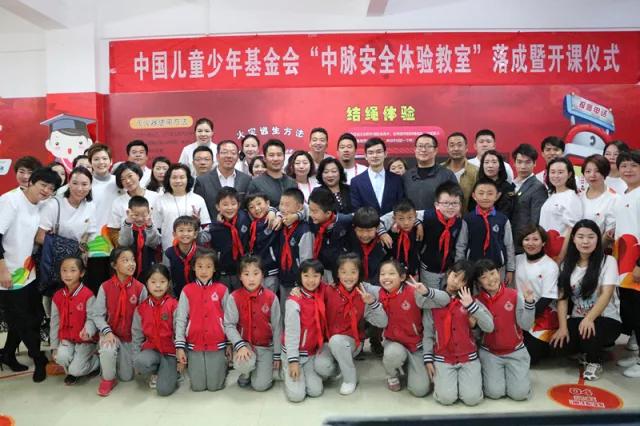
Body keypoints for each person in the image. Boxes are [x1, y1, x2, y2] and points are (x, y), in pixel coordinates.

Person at [0, 167, 60, 381]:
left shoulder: (40, 205)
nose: (46, 191)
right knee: (24, 320)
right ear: (31, 181)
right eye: (43, 185)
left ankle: (8, 354)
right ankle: (39, 359)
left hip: (27, 271)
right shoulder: (10, 201)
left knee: (31, 316)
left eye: (51, 188)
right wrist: (2, 270)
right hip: (8, 273)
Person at [549, 220, 621, 381]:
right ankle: (588, 350)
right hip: (578, 317)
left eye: (591, 237)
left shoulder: (608, 261)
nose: (585, 241)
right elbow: (563, 299)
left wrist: (589, 318)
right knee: (558, 346)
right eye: (580, 237)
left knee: (589, 333)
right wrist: (563, 327)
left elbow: (606, 294)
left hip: (606, 318)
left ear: (598, 239)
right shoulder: (567, 265)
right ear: (573, 239)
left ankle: (595, 361)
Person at [314, 253, 387, 395]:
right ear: (337, 273)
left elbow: (383, 321)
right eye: (343, 272)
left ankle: (349, 379)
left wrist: (372, 303)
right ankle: (341, 365)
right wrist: (297, 289)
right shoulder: (329, 289)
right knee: (321, 367)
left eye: (353, 272)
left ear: (359, 273)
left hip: (353, 342)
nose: (348, 277)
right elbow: (310, 289)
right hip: (329, 342)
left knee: (337, 341)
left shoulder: (365, 291)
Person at [424, 260, 494, 406]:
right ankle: (449, 383)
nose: (456, 282)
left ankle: (469, 381)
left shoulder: (471, 302)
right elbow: (428, 333)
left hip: (468, 357)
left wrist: (472, 307)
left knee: (472, 399)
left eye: (462, 281)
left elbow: (489, 327)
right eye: (455, 276)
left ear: (467, 284)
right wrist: (428, 359)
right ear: (448, 273)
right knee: (446, 399)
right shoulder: (433, 301)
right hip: (443, 357)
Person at [378, 259, 450, 396]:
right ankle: (392, 374)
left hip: (415, 345)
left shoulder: (413, 292)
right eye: (382, 274)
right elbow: (359, 284)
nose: (386, 277)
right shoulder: (378, 293)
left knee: (420, 390)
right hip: (393, 343)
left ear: (402, 277)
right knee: (393, 354)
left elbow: (445, 300)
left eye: (391, 273)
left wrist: (427, 291)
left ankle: (407, 365)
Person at [91, 247, 148, 396]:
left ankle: (112, 363)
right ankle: (107, 379)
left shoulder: (140, 288)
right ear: (114, 265)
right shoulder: (105, 287)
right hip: (112, 334)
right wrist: (107, 331)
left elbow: (145, 317)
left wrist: (139, 343)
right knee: (107, 347)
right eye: (125, 260)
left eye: (133, 260)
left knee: (127, 377)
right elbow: (97, 315)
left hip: (130, 338)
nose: (131, 264)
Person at [475, 259, 535, 401]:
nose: (491, 279)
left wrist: (529, 303)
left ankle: (517, 374)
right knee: (494, 393)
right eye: (484, 277)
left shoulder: (513, 295)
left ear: (499, 272)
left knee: (519, 394)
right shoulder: (475, 301)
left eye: (492, 273)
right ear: (479, 283)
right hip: (490, 353)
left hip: (515, 351)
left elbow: (526, 325)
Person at [224, 255, 281, 391]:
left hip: (265, 347)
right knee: (245, 364)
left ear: (262, 275)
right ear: (240, 276)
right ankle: (246, 372)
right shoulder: (234, 297)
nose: (251, 279)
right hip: (245, 346)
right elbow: (229, 325)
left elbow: (277, 327)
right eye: (246, 274)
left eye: (256, 274)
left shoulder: (271, 297)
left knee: (260, 386)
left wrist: (277, 355)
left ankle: (260, 370)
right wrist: (240, 345)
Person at [175, 248, 229, 392]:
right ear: (193, 267)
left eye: (208, 266)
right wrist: (180, 346)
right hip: (194, 344)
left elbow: (229, 320)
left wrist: (229, 343)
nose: (204, 271)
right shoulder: (187, 290)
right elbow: (181, 319)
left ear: (214, 268)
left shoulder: (222, 289)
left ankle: (223, 366)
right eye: (199, 266)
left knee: (215, 387)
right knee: (197, 387)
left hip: (216, 343)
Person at [37, 166, 97, 294]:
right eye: (75, 183)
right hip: (55, 263)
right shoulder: (54, 204)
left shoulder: (90, 206)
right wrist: (71, 246)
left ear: (90, 186)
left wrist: (84, 248)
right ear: (68, 183)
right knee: (55, 296)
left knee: (75, 296)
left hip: (77, 264)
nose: (79, 188)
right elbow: (40, 237)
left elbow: (87, 233)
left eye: (84, 184)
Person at [282, 259, 327, 402]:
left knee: (315, 391)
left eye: (315, 276)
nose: (311, 280)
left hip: (311, 353)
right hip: (293, 353)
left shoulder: (323, 292)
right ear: (300, 276)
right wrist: (293, 361)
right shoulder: (294, 301)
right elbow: (291, 335)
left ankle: (307, 374)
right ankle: (285, 369)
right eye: (306, 275)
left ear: (321, 277)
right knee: (297, 396)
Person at [456, 179, 516, 285]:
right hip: (473, 267)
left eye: (490, 193)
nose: (485, 197)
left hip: (497, 268)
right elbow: (461, 245)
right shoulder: (468, 219)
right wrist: (460, 268)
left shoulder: (502, 219)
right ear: (474, 196)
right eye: (481, 193)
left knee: (496, 292)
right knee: (475, 293)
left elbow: (509, 245)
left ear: (497, 196)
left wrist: (510, 269)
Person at [50, 257, 99, 385]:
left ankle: (95, 362)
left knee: (76, 370)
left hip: (85, 341)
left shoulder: (88, 295)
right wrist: (54, 347)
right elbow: (54, 322)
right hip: (67, 339)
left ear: (81, 273)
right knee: (60, 357)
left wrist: (88, 331)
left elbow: (92, 318)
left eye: (73, 270)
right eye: (64, 270)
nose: (68, 274)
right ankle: (74, 369)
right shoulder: (57, 296)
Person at [514, 224, 559, 365]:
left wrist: (527, 317)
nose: (530, 243)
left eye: (535, 239)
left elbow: (547, 298)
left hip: (541, 315)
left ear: (543, 242)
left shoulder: (550, 266)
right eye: (527, 239)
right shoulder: (517, 260)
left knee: (530, 357)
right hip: (518, 313)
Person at [132, 263, 179, 396]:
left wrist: (181, 357)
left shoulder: (174, 305)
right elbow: (136, 336)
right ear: (147, 284)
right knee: (140, 362)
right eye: (153, 282)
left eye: (162, 282)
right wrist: (135, 360)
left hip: (170, 353)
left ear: (168, 283)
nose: (158, 286)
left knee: (164, 390)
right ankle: (156, 372)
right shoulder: (141, 309)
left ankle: (171, 372)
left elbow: (180, 334)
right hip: (152, 350)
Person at [612, 150, 640, 376]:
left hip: (636, 265)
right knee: (632, 311)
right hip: (623, 265)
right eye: (624, 166)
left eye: (633, 165)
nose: (628, 170)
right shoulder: (625, 194)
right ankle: (637, 355)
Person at [417, 182, 466, 289]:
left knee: (446, 295)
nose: (450, 207)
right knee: (431, 295)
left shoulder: (460, 223)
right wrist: (417, 223)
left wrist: (457, 268)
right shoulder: (427, 216)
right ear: (437, 205)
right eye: (446, 203)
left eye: (455, 203)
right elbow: (403, 214)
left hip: (449, 269)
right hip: (429, 267)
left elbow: (460, 247)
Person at [153, 163, 210, 251]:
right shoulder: (160, 200)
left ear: (188, 179)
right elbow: (157, 228)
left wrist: (197, 222)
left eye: (182, 177)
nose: (178, 181)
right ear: (168, 180)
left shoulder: (198, 199)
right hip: (169, 249)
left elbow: (206, 228)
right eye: (174, 177)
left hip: (194, 251)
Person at [85, 144, 119, 291]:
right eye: (96, 159)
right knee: (96, 287)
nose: (101, 162)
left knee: (116, 287)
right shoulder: (85, 183)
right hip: (93, 244)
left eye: (104, 158)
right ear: (90, 162)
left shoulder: (119, 182)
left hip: (117, 243)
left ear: (111, 161)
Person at [194, 140, 251, 222]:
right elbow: (199, 210)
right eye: (224, 152)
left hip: (240, 228)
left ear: (238, 157)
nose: (229, 156)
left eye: (233, 153)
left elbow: (249, 206)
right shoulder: (202, 181)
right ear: (217, 156)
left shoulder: (246, 179)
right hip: (212, 228)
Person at [539, 157, 583, 263]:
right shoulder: (552, 195)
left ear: (569, 174)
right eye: (552, 172)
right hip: (546, 250)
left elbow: (572, 230)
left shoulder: (571, 197)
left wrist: (560, 257)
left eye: (560, 172)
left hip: (560, 255)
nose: (556, 176)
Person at [107, 162, 160, 247]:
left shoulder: (156, 197)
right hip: (128, 248)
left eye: (130, 176)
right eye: (123, 179)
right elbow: (113, 230)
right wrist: (123, 249)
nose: (127, 181)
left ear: (138, 174)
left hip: (153, 246)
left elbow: (162, 225)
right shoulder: (118, 202)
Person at [277, 188, 314, 309]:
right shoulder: (281, 225)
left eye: (287, 205)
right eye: (281, 204)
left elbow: (306, 260)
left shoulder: (304, 230)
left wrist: (302, 282)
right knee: (284, 309)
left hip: (298, 281)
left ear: (299, 207)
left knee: (297, 309)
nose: (283, 208)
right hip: (283, 277)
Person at [209, 187, 251, 290]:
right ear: (218, 207)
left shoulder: (245, 218)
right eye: (225, 204)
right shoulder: (215, 227)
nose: (230, 208)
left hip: (243, 269)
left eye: (233, 204)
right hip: (223, 271)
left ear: (239, 205)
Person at [403, 133, 457, 211]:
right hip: (412, 218)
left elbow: (455, 201)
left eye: (428, 146)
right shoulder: (406, 176)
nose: (423, 150)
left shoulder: (447, 175)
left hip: (438, 218)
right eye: (420, 146)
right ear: (415, 150)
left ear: (435, 150)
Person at [351, 137, 405, 215]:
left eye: (379, 152)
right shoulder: (356, 182)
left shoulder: (397, 179)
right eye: (371, 153)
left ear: (385, 154)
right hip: (367, 222)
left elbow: (401, 206)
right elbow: (357, 210)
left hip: (392, 222)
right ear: (365, 156)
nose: (375, 156)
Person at [308, 188, 352, 282]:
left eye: (314, 211)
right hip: (321, 269)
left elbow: (365, 218)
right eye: (310, 210)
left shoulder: (345, 221)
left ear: (328, 213)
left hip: (341, 271)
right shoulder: (312, 221)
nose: (311, 214)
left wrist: (382, 232)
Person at [511, 144, 548, 254]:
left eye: (528, 162)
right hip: (509, 241)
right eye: (519, 162)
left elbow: (535, 220)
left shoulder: (538, 187)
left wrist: (529, 242)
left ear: (535, 163)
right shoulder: (510, 184)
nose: (523, 166)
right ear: (514, 163)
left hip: (524, 244)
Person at [118, 196, 161, 281]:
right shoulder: (127, 227)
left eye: (143, 215)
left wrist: (149, 226)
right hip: (130, 268)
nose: (140, 219)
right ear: (128, 213)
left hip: (149, 265)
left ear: (149, 212)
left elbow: (154, 243)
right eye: (136, 215)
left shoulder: (151, 226)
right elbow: (124, 243)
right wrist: (128, 223)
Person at [245, 193, 281, 293]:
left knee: (270, 297)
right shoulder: (253, 224)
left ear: (267, 203)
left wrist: (274, 212)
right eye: (251, 207)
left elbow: (283, 211)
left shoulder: (272, 219)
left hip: (272, 268)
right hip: (259, 269)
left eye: (259, 203)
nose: (256, 209)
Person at [468, 150, 516, 220]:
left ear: (500, 166)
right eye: (486, 162)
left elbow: (507, 211)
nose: (490, 166)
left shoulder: (507, 187)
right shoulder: (477, 185)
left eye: (494, 162)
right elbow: (471, 207)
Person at [248, 139, 297, 206]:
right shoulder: (256, 184)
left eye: (279, 155)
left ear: (284, 157)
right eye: (271, 155)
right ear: (265, 159)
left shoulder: (292, 183)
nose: (275, 159)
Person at [379, 199, 421, 277]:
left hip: (413, 271)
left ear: (416, 216)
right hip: (393, 273)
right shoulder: (388, 234)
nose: (406, 223)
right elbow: (387, 253)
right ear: (394, 218)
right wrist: (393, 234)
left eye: (410, 218)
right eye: (401, 219)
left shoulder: (419, 230)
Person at [347, 207, 389, 285]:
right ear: (354, 228)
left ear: (377, 228)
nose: (365, 235)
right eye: (360, 230)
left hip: (379, 284)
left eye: (369, 230)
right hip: (354, 282)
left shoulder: (385, 241)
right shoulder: (347, 240)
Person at [579, 155, 617, 238]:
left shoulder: (614, 198)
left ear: (605, 172)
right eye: (588, 171)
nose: (592, 175)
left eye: (597, 171)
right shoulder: (578, 196)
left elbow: (609, 234)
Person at [163, 216, 199, 297]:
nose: (185, 234)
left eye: (189, 230)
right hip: (176, 295)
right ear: (174, 234)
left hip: (199, 295)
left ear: (195, 234)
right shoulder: (168, 253)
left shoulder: (201, 253)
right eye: (181, 230)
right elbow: (165, 277)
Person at [442, 132, 478, 212]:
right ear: (447, 149)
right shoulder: (439, 169)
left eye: (459, 145)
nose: (456, 148)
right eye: (452, 145)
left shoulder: (476, 171)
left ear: (466, 148)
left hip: (467, 217)